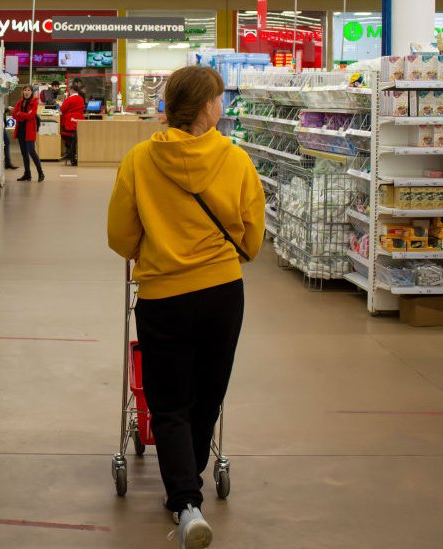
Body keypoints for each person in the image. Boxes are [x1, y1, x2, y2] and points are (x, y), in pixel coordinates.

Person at [106, 65, 265, 549]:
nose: (222, 105)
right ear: (204, 107)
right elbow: (253, 238)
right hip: (221, 294)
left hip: (162, 295)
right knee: (207, 394)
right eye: (218, 97)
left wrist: (152, 246)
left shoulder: (139, 160)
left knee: (169, 401)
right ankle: (187, 486)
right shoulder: (235, 160)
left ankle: (185, 501)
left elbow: (120, 236)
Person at [12, 85, 44, 182]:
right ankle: (27, 174)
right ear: (23, 91)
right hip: (21, 129)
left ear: (31, 92)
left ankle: (41, 173)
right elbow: (14, 114)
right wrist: (21, 114)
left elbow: (31, 115)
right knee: (24, 153)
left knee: (31, 151)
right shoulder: (20, 101)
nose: (26, 92)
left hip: (29, 130)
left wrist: (20, 114)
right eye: (25, 90)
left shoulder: (34, 101)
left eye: (28, 90)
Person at [59, 82, 85, 166]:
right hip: (79, 123)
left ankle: (70, 155)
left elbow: (62, 109)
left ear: (72, 90)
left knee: (69, 140)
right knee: (74, 140)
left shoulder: (69, 99)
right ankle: (72, 156)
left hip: (69, 123)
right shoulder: (81, 99)